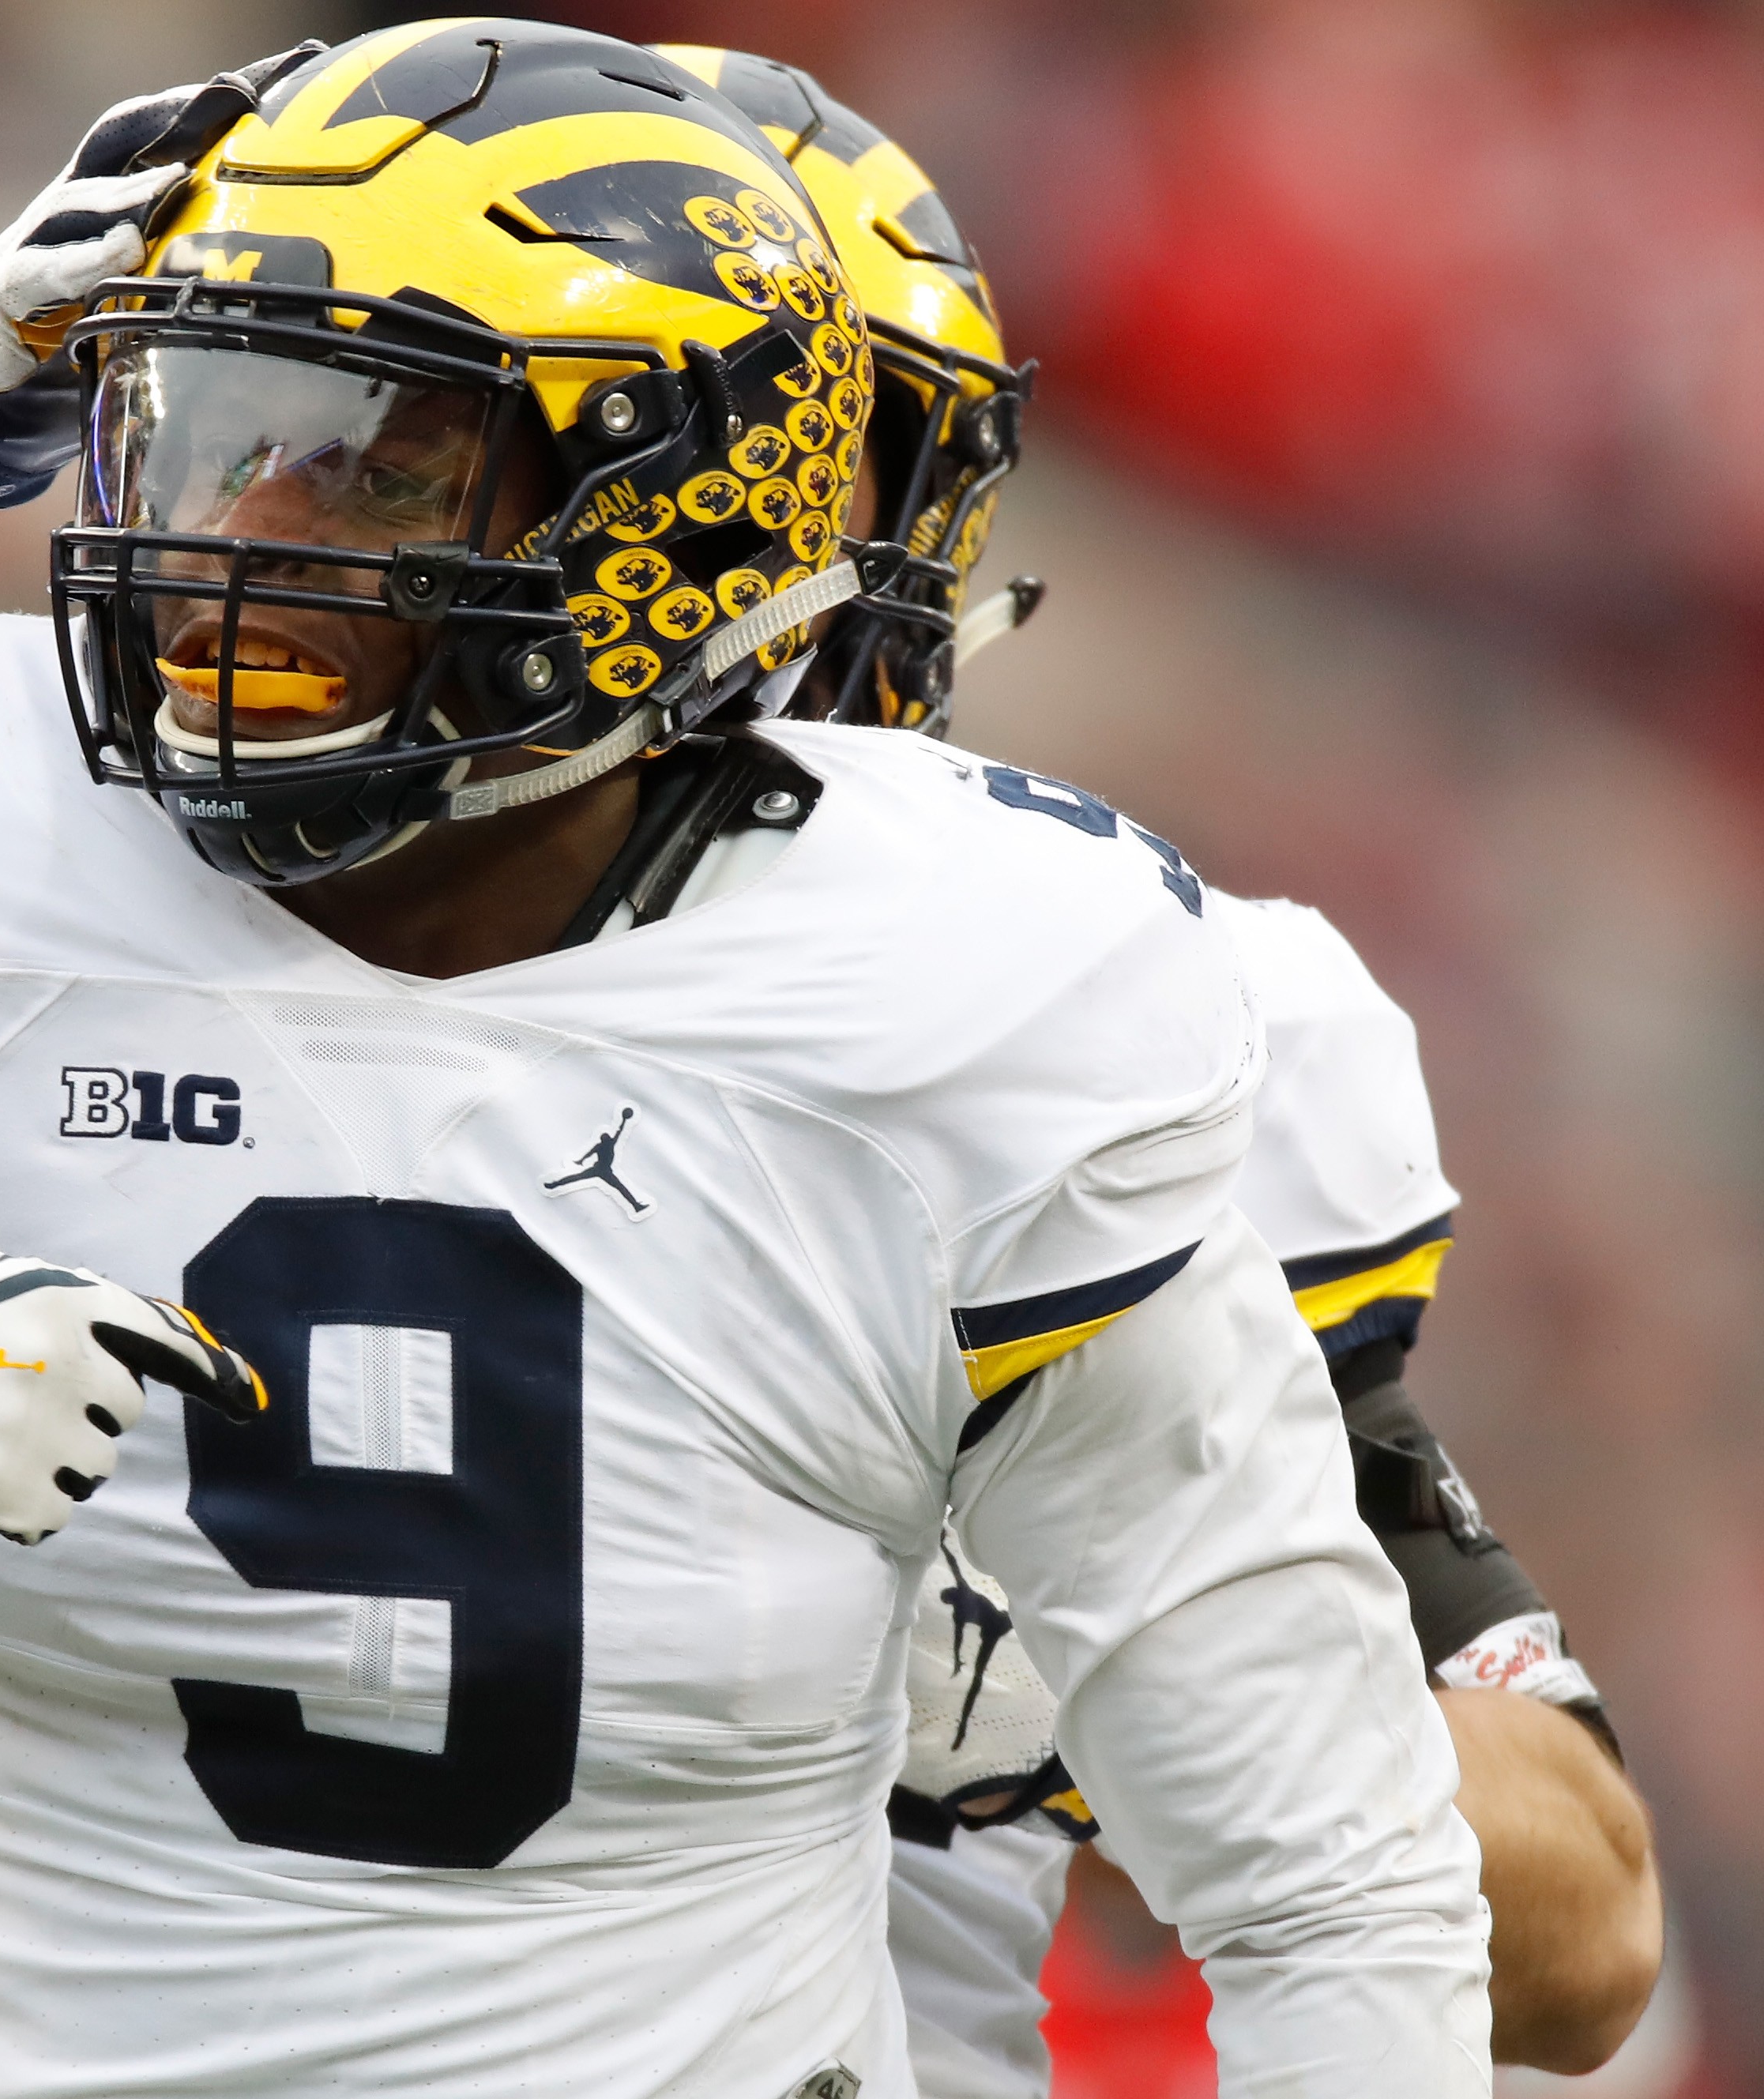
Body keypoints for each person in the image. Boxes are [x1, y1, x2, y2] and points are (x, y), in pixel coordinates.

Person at [0, 25, 1494, 2096]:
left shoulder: (974, 995)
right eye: (205, 438)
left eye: (368, 462)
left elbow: (1331, 1887)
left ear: (665, 521)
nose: (234, 540)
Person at [637, 47, 1661, 2090]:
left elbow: (1587, 1926)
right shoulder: (78, 954)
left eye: (760, 463)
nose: (655, 548)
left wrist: (1102, 1698)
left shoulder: (1100, 1026)